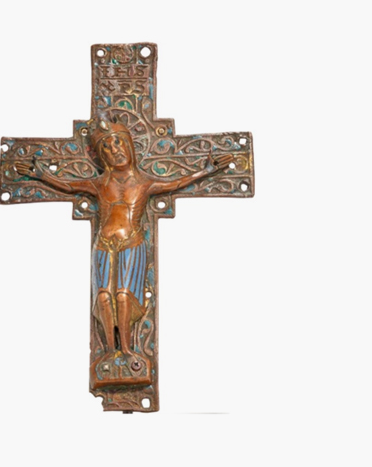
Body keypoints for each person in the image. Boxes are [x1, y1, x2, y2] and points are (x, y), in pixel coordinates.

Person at [14, 119, 233, 385]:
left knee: (124, 295)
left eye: (118, 142)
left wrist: (207, 170)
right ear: (101, 155)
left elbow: (177, 182)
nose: (114, 150)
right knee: (103, 297)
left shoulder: (144, 183)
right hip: (104, 244)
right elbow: (70, 186)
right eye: (106, 147)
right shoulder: (99, 183)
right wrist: (41, 175)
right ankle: (109, 351)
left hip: (131, 242)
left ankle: (128, 350)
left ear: (130, 146)